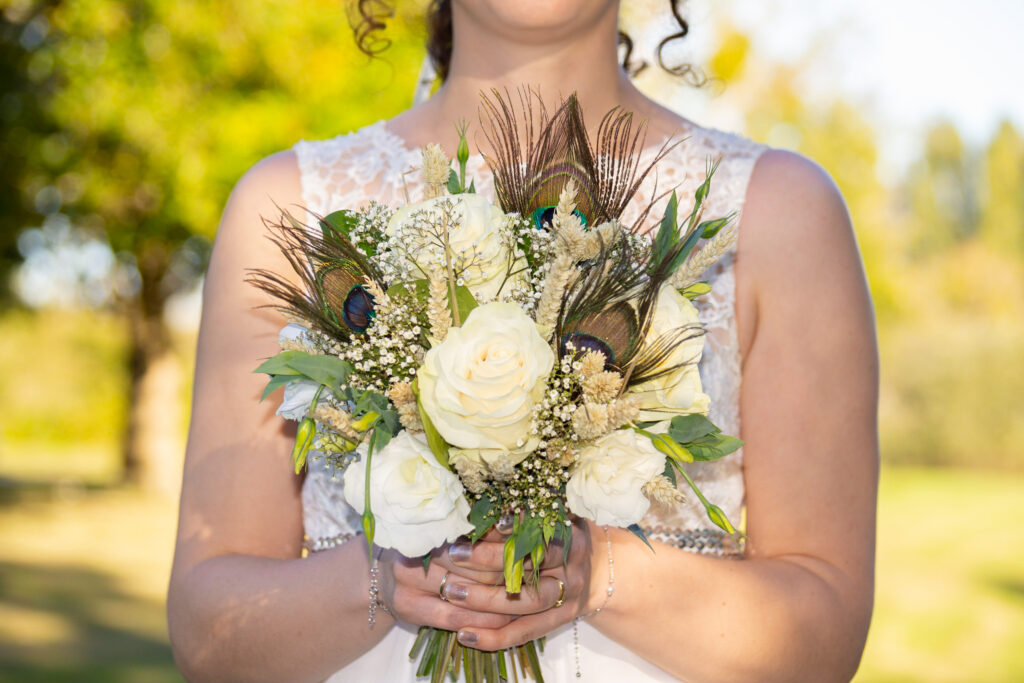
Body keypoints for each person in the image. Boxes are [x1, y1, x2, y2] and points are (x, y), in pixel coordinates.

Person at [166, 1, 879, 681]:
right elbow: (209, 633)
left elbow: (822, 636)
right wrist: (387, 578)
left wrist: (599, 573)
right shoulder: (290, 209)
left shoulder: (778, 213)